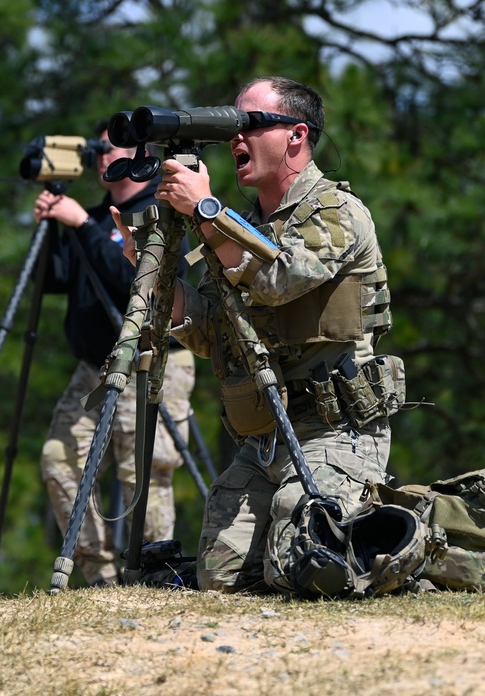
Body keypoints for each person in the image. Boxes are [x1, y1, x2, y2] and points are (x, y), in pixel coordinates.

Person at [112, 76, 402, 595]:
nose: (236, 140)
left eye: (251, 125)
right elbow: (210, 333)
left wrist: (207, 210)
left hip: (336, 433)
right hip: (265, 439)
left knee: (305, 561)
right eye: (233, 127)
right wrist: (152, 270)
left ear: (296, 135)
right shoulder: (237, 224)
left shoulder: (337, 212)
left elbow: (277, 279)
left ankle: (405, 540)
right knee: (220, 578)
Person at [34, 121, 196, 587]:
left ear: (138, 155)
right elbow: (50, 281)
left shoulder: (161, 214)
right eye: (98, 149)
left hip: (149, 360)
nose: (101, 156)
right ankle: (99, 575)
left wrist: (82, 226)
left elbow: (139, 289)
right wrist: (50, 228)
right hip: (95, 368)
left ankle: (152, 574)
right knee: (58, 459)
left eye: (109, 148)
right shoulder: (94, 216)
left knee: (141, 472)